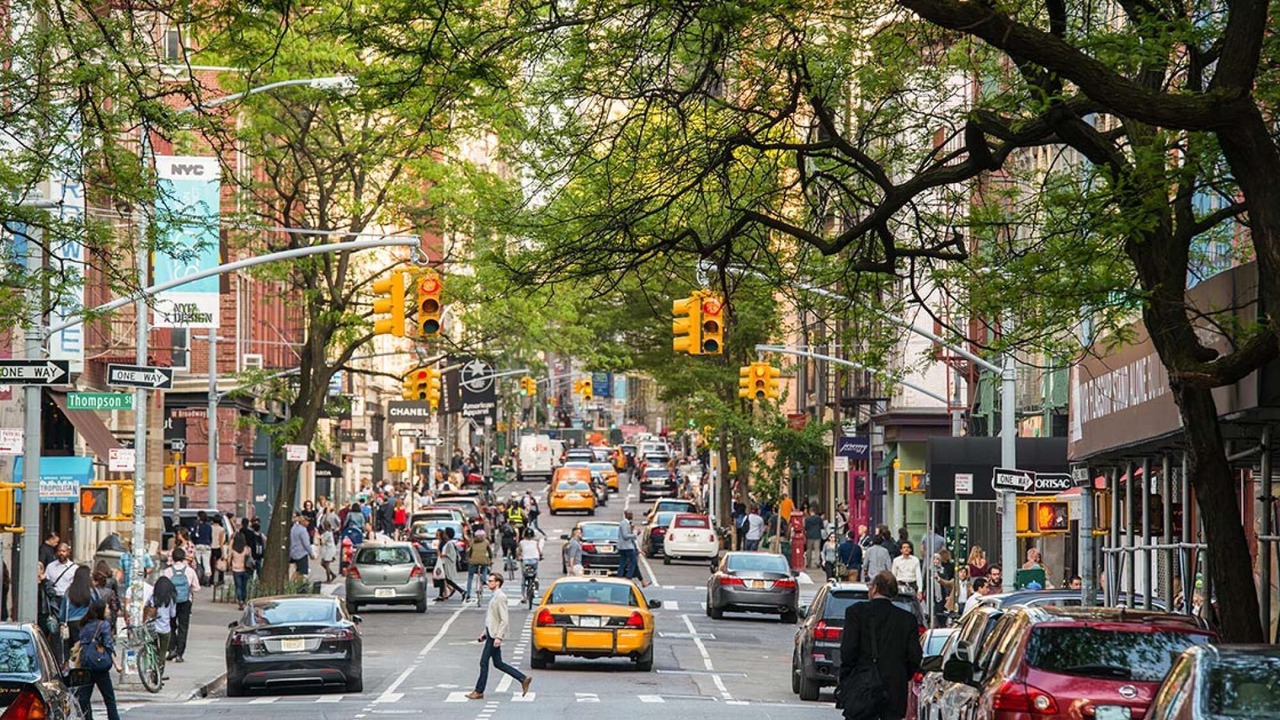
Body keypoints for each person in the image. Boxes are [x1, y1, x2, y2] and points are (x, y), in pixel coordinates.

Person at [838, 572, 922, 720]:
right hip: (894, 690)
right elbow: (915, 657)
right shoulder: (907, 619)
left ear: (875, 588)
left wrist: (848, 677)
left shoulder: (856, 612)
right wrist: (901, 674)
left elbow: (848, 651)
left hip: (863, 686)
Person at [465, 573, 532, 700]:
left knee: (483, 662)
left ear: (497, 583)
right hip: (491, 633)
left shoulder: (501, 597)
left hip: (494, 635)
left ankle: (479, 691)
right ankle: (523, 678)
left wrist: (498, 637)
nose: (488, 583)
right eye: (489, 581)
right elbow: (492, 619)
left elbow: (504, 619)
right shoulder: (495, 596)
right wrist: (484, 633)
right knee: (498, 663)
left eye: (491, 581)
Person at [75, 601, 120, 720]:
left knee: (84, 698)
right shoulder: (104, 625)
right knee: (109, 699)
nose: (108, 611)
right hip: (100, 665)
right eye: (106, 609)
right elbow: (108, 645)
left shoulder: (84, 624)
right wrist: (116, 663)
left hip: (86, 664)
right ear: (100, 611)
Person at [161, 547, 200, 663]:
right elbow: (197, 588)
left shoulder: (168, 571)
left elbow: (164, 586)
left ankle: (172, 648)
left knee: (171, 625)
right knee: (183, 627)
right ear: (184, 558)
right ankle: (180, 653)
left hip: (171, 602)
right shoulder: (189, 571)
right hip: (186, 602)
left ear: (172, 558)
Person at [146, 576, 178, 680]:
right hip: (165, 629)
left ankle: (153, 672)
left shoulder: (153, 597)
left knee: (154, 650)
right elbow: (173, 615)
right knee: (162, 653)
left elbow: (147, 607)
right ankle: (159, 674)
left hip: (152, 627)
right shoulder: (171, 599)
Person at [465, 529, 493, 602]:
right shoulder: (486, 542)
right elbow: (490, 553)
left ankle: (468, 594)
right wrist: (490, 560)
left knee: (470, 577)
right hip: (483, 561)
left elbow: (468, 552)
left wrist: (468, 560)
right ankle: (484, 579)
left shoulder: (472, 542)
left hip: (473, 562)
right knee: (485, 567)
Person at [439, 527, 466, 601]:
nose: (443, 534)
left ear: (447, 535)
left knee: (447, 579)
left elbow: (452, 555)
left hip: (447, 564)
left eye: (445, 533)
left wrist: (444, 555)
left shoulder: (450, 544)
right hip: (444, 562)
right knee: (443, 579)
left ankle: (462, 591)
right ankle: (441, 595)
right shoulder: (448, 543)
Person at [228, 533, 253, 609]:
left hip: (236, 569)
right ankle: (244, 599)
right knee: (244, 586)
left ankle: (240, 601)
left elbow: (229, 558)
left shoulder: (233, 549)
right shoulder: (247, 549)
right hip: (245, 569)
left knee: (238, 586)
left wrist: (229, 565)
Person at [617, 510, 639, 581]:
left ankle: (619, 576)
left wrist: (632, 530)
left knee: (623, 562)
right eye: (631, 514)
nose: (632, 516)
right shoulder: (624, 523)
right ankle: (628, 576)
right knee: (633, 562)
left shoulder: (627, 523)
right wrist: (635, 535)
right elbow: (625, 536)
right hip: (627, 547)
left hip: (624, 547)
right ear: (627, 515)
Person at [193, 511, 213, 585]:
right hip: (207, 546)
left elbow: (193, 535)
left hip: (198, 545)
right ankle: (207, 579)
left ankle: (198, 578)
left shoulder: (197, 525)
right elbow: (210, 537)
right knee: (206, 563)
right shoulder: (209, 526)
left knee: (198, 563)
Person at [290, 514, 312, 580]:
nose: (308, 522)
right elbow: (306, 544)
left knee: (298, 570)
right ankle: (296, 585)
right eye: (307, 521)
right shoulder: (303, 530)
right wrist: (311, 553)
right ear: (302, 521)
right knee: (301, 572)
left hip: (293, 552)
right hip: (301, 553)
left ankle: (292, 583)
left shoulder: (294, 528)